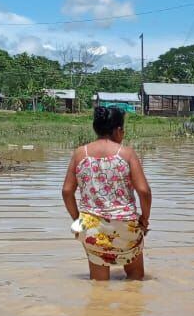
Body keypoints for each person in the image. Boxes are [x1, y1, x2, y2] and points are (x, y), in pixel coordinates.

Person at [62, 106, 151, 281]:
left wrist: (77, 220)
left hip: (92, 225)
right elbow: (144, 191)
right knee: (135, 279)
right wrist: (144, 219)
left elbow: (66, 191)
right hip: (125, 224)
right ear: (118, 130)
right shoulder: (126, 154)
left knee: (99, 284)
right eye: (123, 129)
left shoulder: (80, 153)